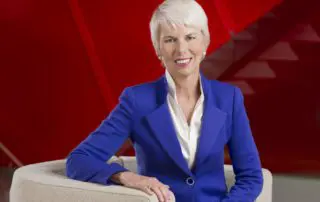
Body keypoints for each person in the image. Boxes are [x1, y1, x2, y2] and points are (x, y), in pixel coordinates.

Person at [66, 0, 263, 201]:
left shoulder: (229, 98)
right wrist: (129, 178)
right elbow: (79, 160)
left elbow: (251, 176)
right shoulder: (137, 101)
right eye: (170, 40)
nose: (181, 49)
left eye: (190, 37)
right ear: (158, 49)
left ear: (204, 42)